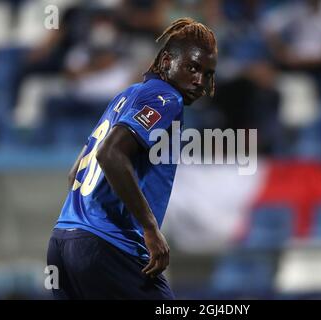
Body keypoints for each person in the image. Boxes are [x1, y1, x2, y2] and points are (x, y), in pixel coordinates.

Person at [46, 17, 218, 299]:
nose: (200, 80)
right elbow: (110, 153)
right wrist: (150, 228)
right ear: (165, 62)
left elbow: (75, 171)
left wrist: (83, 226)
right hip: (109, 247)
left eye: (209, 74)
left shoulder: (125, 97)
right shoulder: (166, 98)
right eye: (192, 68)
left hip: (63, 243)